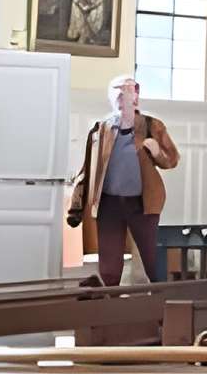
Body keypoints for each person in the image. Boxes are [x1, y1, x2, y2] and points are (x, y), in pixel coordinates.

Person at [66, 75, 180, 286]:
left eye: (128, 90)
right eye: (118, 91)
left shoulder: (152, 126)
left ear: (136, 96)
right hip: (109, 204)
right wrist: (76, 207)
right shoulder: (100, 128)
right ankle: (109, 310)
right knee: (109, 268)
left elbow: (172, 160)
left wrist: (156, 152)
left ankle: (162, 309)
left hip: (143, 204)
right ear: (110, 97)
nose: (122, 95)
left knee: (153, 261)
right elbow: (87, 169)